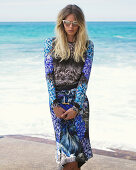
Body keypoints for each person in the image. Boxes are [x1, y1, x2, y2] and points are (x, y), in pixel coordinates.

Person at [44, 4, 94, 170]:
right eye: (67, 22)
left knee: (76, 158)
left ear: (80, 24)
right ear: (61, 23)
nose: (70, 26)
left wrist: (76, 107)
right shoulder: (50, 44)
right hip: (58, 105)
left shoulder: (88, 46)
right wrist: (54, 104)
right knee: (67, 156)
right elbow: (49, 77)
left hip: (78, 105)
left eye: (74, 23)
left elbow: (84, 79)